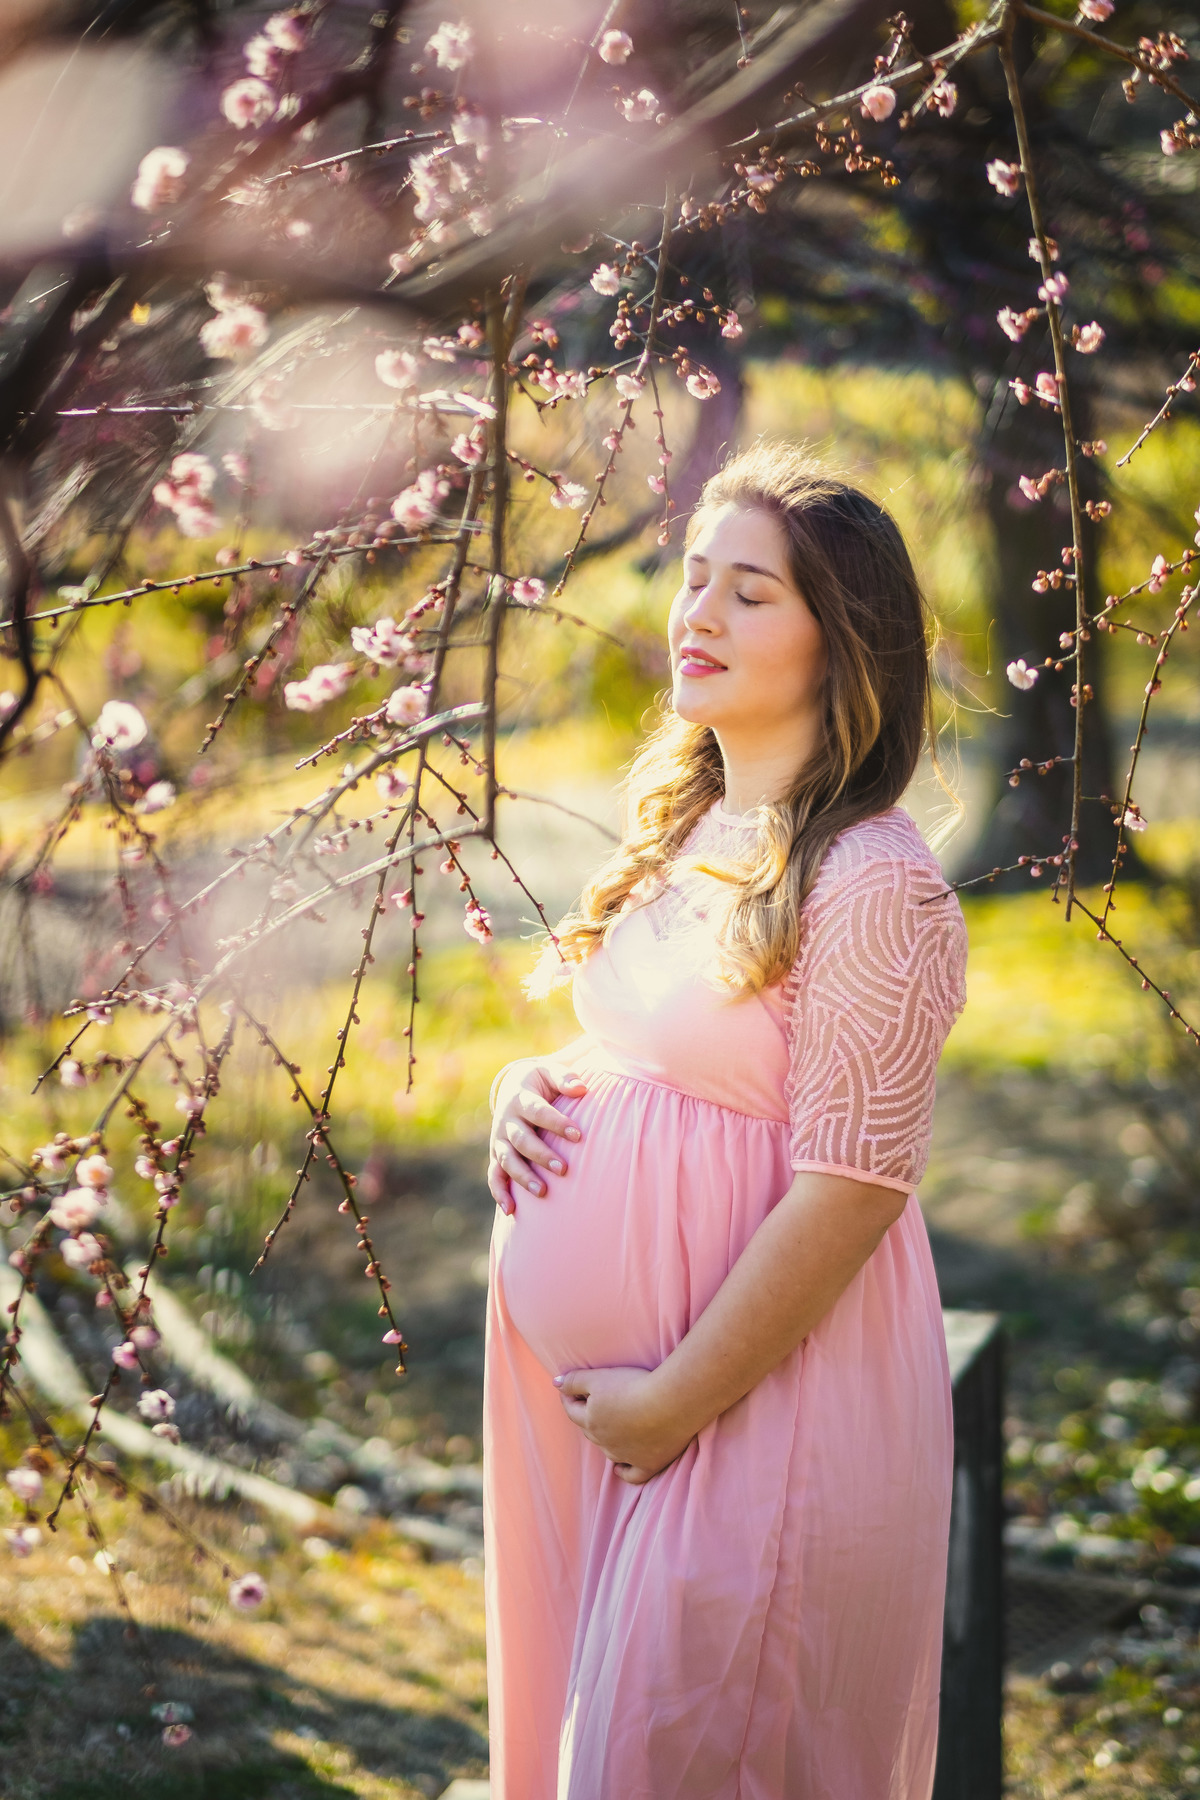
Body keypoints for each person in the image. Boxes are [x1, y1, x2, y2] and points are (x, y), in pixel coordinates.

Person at [483, 442, 968, 1800]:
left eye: (748, 593)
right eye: (694, 580)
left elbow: (853, 1190)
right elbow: (643, 1048)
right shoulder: (699, 827)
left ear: (840, 642)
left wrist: (672, 1406)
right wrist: (521, 1097)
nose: (695, 614)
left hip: (750, 1416)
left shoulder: (875, 882)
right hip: (611, 1423)